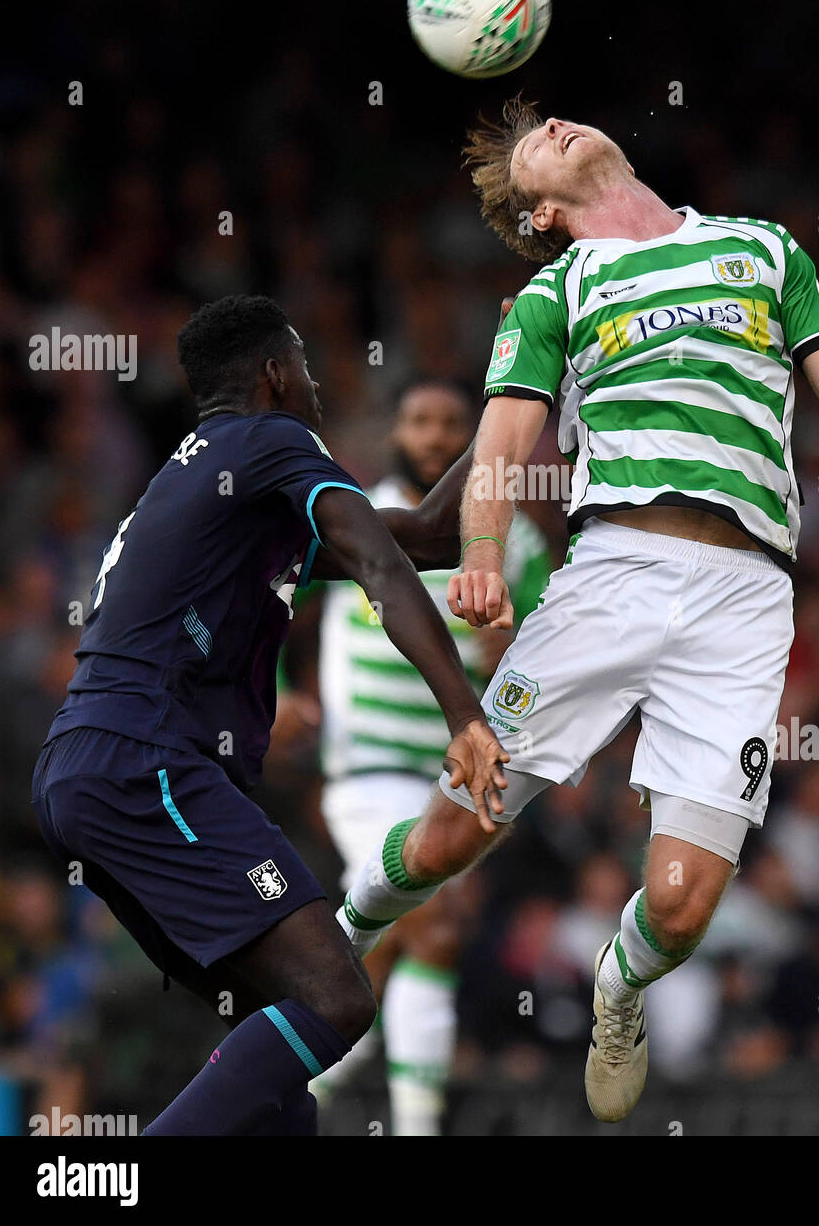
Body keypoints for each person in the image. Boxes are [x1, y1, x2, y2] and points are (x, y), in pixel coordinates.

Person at [339, 100, 819, 1122]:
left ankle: (619, 983)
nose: (556, 124)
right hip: (612, 573)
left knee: (686, 908)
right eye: (534, 147)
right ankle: (341, 933)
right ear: (539, 215)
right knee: (442, 846)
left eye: (554, 119)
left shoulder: (759, 250)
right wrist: (479, 553)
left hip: (745, 599)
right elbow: (504, 445)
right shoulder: (556, 289)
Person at [30, 294, 508, 1136]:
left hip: (95, 768)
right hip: (146, 761)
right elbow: (382, 573)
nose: (318, 386)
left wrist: (517, 385)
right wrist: (465, 715)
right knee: (336, 997)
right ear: (275, 376)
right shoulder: (272, 442)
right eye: (307, 367)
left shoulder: (215, 482)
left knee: (284, 1065)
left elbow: (425, 539)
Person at [310, 376, 550, 1134]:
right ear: (396, 432)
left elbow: (555, 649)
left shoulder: (523, 540)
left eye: (453, 423)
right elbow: (279, 606)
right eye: (421, 421)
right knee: (431, 926)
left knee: (414, 942)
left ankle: (293, 1092)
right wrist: (280, 694)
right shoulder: (356, 514)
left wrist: (513, 646)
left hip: (457, 771)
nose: (438, 435)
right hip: (369, 765)